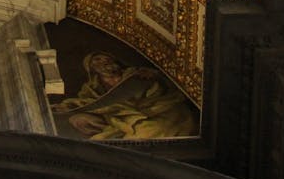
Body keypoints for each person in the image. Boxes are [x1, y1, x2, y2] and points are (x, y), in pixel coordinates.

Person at [53, 51, 197, 140]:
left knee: (146, 133)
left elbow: (164, 88)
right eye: (97, 61)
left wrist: (153, 79)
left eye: (106, 59)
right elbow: (85, 102)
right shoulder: (91, 88)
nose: (104, 62)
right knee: (84, 126)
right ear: (91, 68)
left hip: (155, 109)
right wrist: (66, 106)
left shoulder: (135, 73)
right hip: (120, 118)